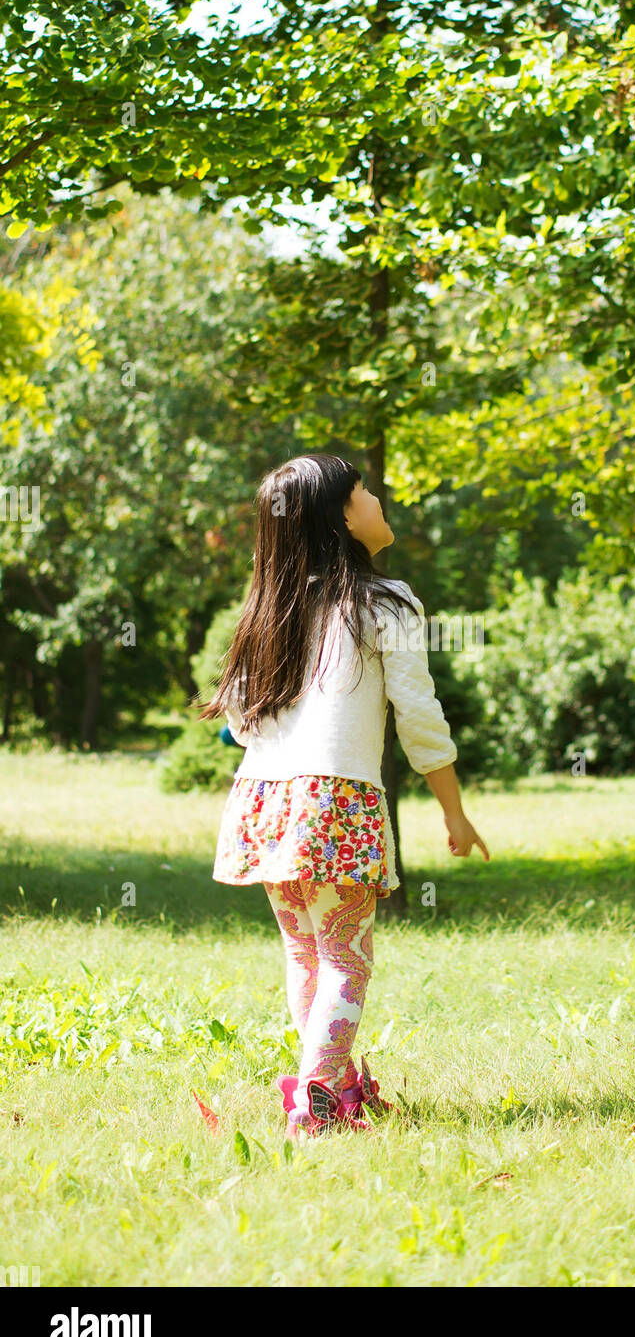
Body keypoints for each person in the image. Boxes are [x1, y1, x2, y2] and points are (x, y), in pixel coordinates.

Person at [201, 453, 489, 1140]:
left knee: (309, 957)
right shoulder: (386, 603)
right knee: (346, 960)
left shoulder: (268, 608)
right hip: (334, 802)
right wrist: (453, 809)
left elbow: (241, 724)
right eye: (362, 490)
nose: (375, 496)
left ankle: (337, 1090)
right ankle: (319, 1104)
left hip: (263, 802)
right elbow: (419, 719)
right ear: (339, 516)